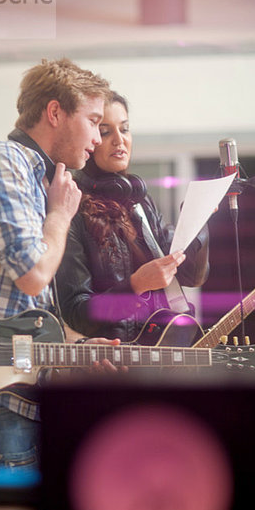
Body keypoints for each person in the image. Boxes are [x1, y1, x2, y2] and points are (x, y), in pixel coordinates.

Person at [0, 58, 121, 470]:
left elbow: (26, 314)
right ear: (55, 113)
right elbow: (32, 276)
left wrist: (76, 348)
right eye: (93, 121)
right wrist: (59, 216)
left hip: (14, 396)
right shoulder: (2, 160)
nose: (98, 137)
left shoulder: (38, 180)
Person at [57, 91, 210, 345]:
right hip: (116, 363)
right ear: (90, 140)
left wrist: (197, 222)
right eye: (106, 132)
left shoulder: (141, 202)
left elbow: (191, 276)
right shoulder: (71, 207)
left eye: (125, 129)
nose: (119, 140)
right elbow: (76, 314)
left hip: (161, 357)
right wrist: (135, 286)